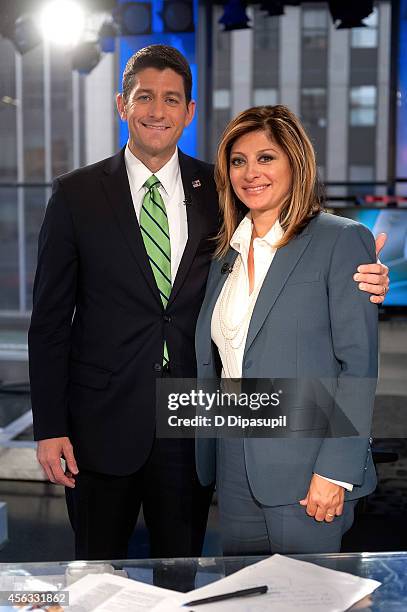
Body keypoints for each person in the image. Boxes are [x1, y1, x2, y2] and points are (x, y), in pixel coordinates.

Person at [28, 45, 388, 562]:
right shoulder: (75, 194)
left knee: (189, 576)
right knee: (94, 576)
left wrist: (366, 274)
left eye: (171, 99)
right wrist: (51, 426)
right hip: (99, 428)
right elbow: (49, 324)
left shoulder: (217, 192)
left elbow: (293, 235)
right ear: (121, 104)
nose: (158, 110)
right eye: (144, 97)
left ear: (189, 111)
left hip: (195, 429)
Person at [195, 105, 379, 555]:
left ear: (295, 163)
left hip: (308, 470)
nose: (250, 172)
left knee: (308, 598)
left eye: (266, 157)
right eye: (238, 160)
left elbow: (356, 364)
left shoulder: (340, 239)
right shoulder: (225, 255)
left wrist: (334, 471)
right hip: (235, 461)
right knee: (242, 595)